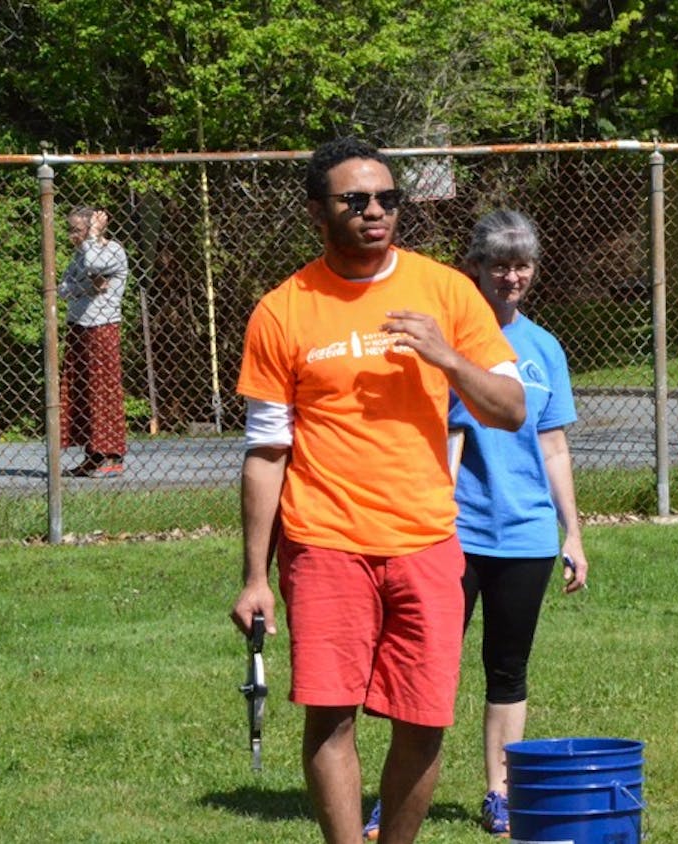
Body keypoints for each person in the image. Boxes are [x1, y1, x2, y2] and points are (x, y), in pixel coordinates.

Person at [229, 136, 526, 844]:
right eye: (354, 200)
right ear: (317, 212)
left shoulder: (446, 291)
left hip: (425, 540)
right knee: (330, 714)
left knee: (425, 719)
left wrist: (446, 356)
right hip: (324, 542)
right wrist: (253, 577)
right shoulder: (283, 309)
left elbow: (511, 410)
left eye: (387, 199)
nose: (374, 212)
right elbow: (267, 453)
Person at [366, 210, 590, 841]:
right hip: (456, 536)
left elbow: (553, 447)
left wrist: (571, 533)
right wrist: (429, 521)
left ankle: (499, 794)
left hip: (525, 537)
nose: (510, 277)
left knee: (508, 668)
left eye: (521, 265)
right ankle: (397, 794)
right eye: (498, 265)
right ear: (476, 270)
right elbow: (451, 440)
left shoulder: (544, 348)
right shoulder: (453, 344)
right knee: (426, 668)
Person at [58, 206, 129, 478]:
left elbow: (93, 265)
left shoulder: (112, 250)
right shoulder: (79, 255)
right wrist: (86, 287)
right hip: (78, 327)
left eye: (76, 230)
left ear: (91, 229)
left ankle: (112, 455)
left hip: (102, 327)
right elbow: (62, 288)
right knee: (81, 391)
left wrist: (94, 236)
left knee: (103, 390)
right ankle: (93, 454)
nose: (70, 236)